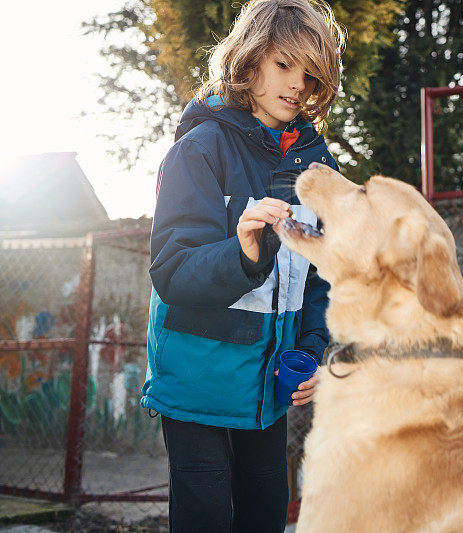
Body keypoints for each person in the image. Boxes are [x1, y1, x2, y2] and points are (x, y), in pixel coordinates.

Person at [140, 0, 345, 531]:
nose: (298, 85)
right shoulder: (200, 149)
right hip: (196, 385)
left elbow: (321, 279)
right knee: (206, 519)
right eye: (284, 65)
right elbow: (173, 270)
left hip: (267, 390)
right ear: (248, 61)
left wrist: (310, 350)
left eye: (310, 74)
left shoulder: (318, 168)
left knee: (265, 516)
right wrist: (244, 253)